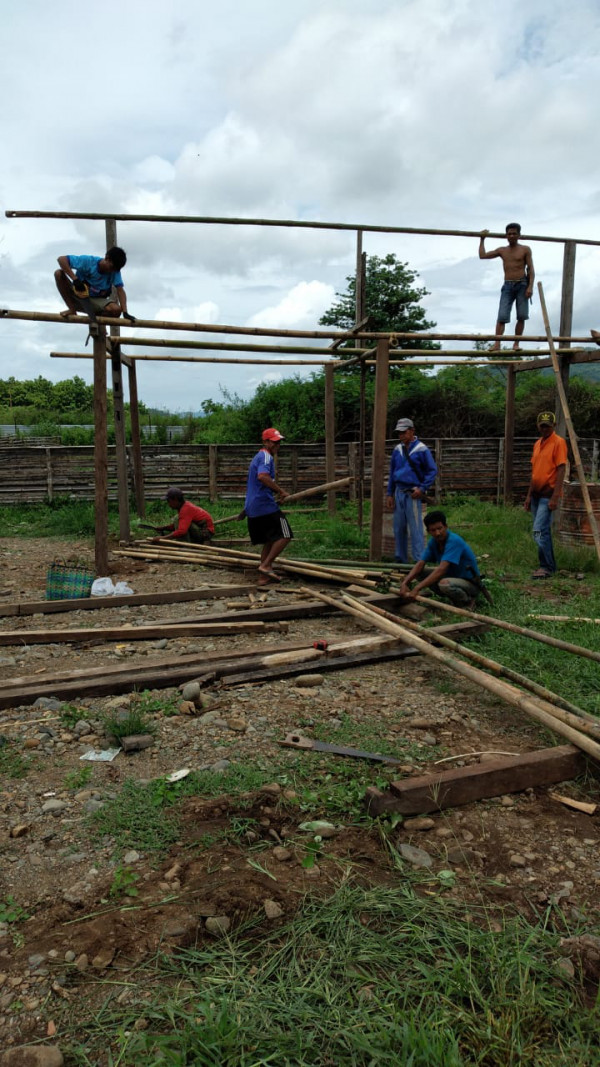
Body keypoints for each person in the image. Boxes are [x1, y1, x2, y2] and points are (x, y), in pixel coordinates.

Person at [399, 510, 482, 607]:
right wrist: (404, 583)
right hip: (453, 578)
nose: (437, 533)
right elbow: (420, 564)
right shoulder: (434, 542)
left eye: (440, 528)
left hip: (470, 583)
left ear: (446, 527)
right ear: (428, 531)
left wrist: (417, 588)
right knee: (421, 572)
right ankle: (454, 597)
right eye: (433, 530)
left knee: (444, 584)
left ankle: (467, 601)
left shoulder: (454, 541)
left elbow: (441, 570)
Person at [244, 428, 293, 585]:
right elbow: (263, 477)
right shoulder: (266, 457)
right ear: (265, 442)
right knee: (286, 535)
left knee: (269, 540)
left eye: (279, 442)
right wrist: (280, 491)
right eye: (274, 442)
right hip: (263, 505)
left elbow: (256, 484)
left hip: (254, 506)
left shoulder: (258, 457)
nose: (277, 445)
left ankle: (263, 577)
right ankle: (265, 566)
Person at [385, 418, 437, 563]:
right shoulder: (397, 449)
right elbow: (392, 472)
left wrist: (422, 488)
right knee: (399, 527)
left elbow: (432, 471)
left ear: (412, 431)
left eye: (404, 432)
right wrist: (390, 493)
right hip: (399, 492)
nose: (401, 435)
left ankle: (419, 560)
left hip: (413, 493)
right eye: (399, 433)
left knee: (415, 528)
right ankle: (400, 559)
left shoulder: (421, 449)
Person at [524, 411, 567, 579]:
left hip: (548, 494)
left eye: (548, 426)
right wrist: (528, 496)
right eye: (542, 426)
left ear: (554, 426)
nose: (545, 429)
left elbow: (561, 468)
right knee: (543, 532)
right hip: (535, 493)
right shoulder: (537, 444)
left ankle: (545, 566)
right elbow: (534, 473)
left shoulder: (559, 442)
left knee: (538, 530)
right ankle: (549, 566)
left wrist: (556, 496)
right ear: (538, 426)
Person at [478, 223, 534, 351]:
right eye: (509, 234)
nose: (512, 236)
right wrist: (482, 239)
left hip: (522, 284)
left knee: (521, 315)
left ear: (519, 235)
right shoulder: (502, 250)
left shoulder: (525, 249)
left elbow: (530, 269)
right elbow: (482, 256)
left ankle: (516, 344)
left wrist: (530, 287)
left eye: (514, 233)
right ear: (506, 236)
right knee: (502, 316)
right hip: (508, 285)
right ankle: (497, 344)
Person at [55, 247, 134, 320]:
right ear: (107, 258)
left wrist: (125, 312)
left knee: (116, 310)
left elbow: (120, 290)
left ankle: (98, 322)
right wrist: (75, 279)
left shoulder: (115, 272)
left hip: (94, 301)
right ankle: (72, 309)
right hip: (77, 294)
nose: (112, 271)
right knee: (58, 274)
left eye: (115, 269)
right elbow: (61, 259)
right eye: (111, 268)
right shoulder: (88, 261)